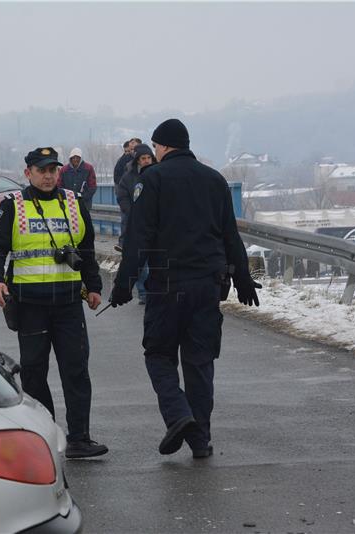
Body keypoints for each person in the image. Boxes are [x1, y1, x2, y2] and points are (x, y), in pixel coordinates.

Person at [109, 119, 261, 459]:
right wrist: (243, 279)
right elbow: (230, 236)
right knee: (199, 361)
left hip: (167, 287)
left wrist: (123, 284)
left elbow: (138, 238)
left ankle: (178, 416)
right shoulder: (215, 180)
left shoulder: (152, 180)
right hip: (208, 286)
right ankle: (201, 439)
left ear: (162, 147)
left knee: (159, 354)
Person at [0, 147, 109, 459]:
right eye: (41, 170)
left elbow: (87, 249)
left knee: (76, 370)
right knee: (35, 373)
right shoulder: (13, 206)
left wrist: (93, 286)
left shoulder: (73, 202)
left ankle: (80, 438)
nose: (48, 175)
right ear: (28, 173)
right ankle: (47, 435)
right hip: (30, 305)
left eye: (53, 169)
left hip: (68, 304)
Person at [115, 143, 156, 262]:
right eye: (143, 158)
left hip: (153, 223)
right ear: (137, 160)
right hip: (135, 221)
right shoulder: (128, 177)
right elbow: (122, 196)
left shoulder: (158, 174)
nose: (147, 161)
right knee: (138, 264)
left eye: (149, 158)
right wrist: (132, 211)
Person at [113, 137, 142, 252]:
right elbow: (117, 176)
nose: (130, 150)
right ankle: (123, 243)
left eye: (133, 147)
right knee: (125, 219)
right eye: (129, 148)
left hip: (142, 196)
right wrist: (123, 189)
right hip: (127, 197)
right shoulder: (124, 161)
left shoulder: (146, 159)